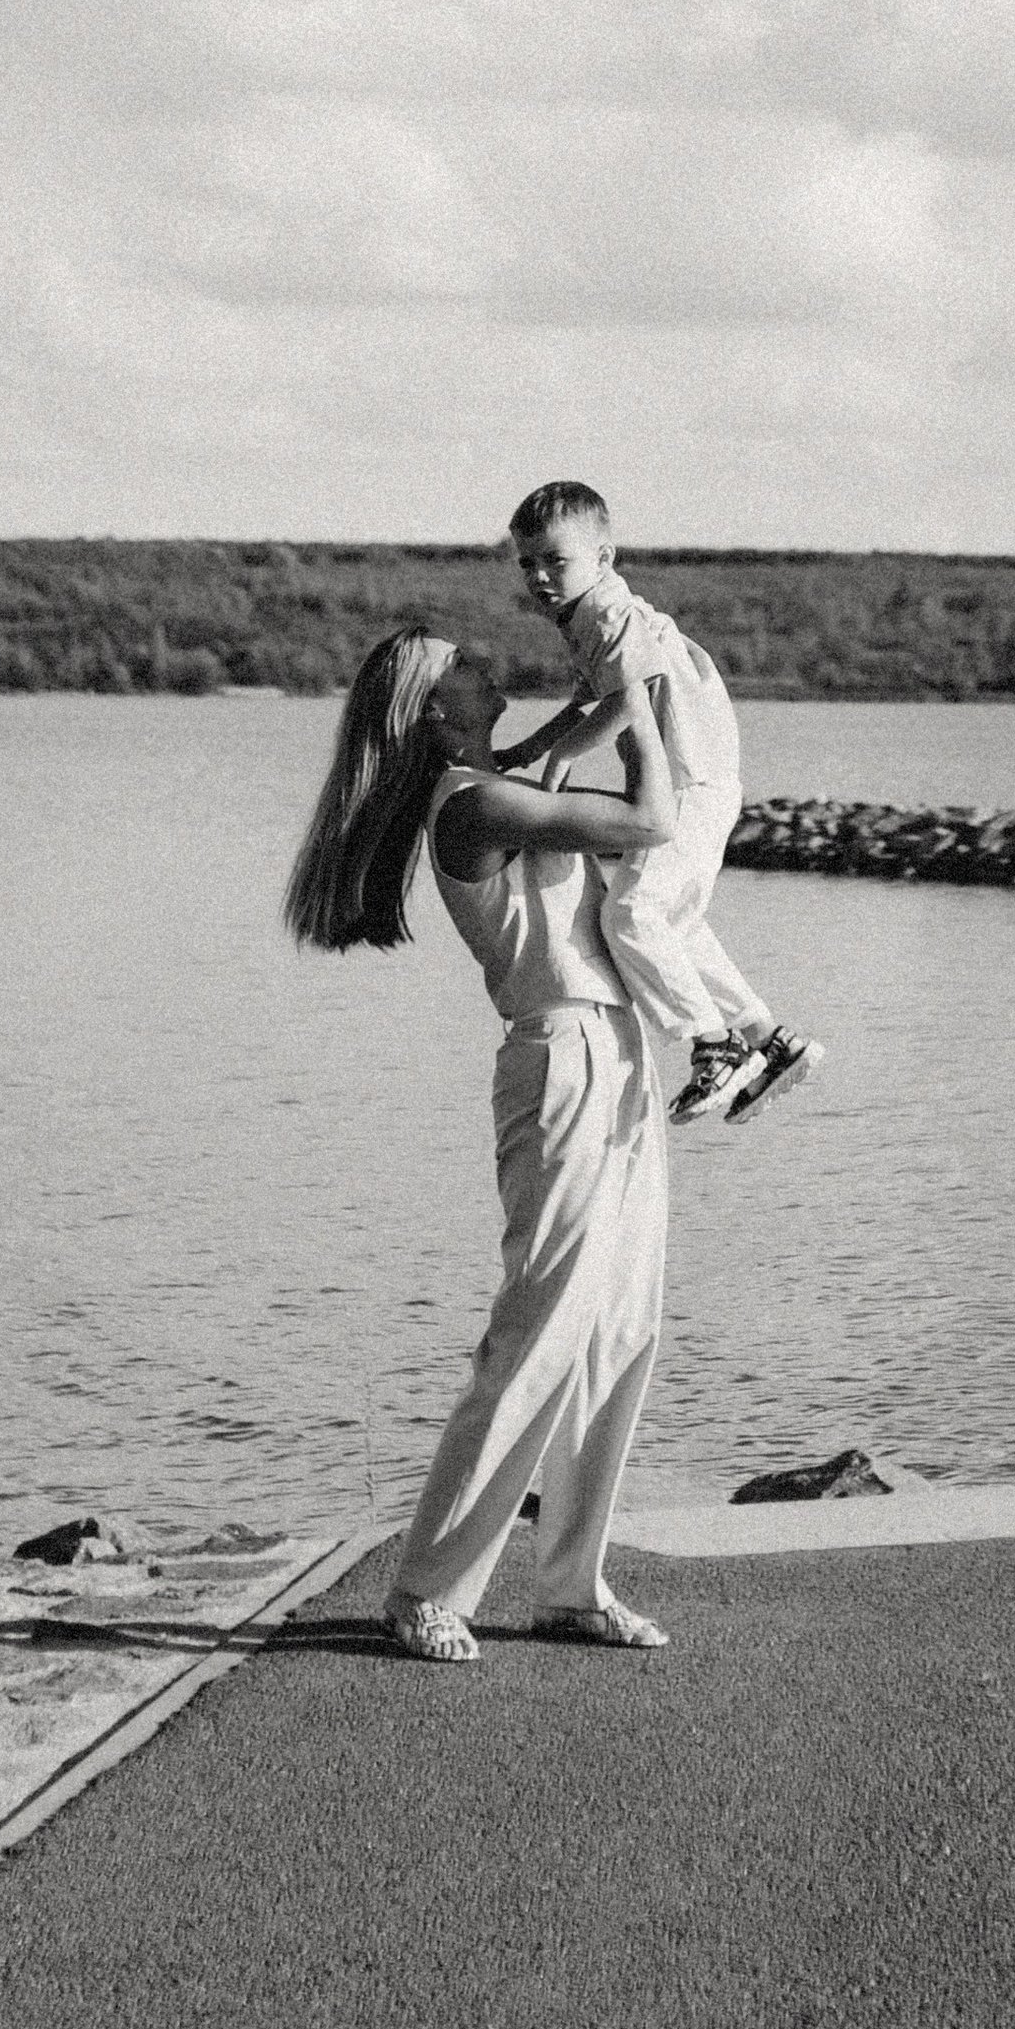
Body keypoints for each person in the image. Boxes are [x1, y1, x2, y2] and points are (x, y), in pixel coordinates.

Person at [283, 627, 678, 1665]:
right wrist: (643, 701)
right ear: (433, 707)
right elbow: (651, 820)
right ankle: (425, 1588)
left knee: (618, 1331)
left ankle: (568, 1585)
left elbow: (561, 739)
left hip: (618, 1049)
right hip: (561, 1059)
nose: (484, 662)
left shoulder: (488, 778)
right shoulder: (471, 803)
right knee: (538, 1329)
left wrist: (615, 674)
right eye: (461, 662)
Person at [503, 479, 825, 1127]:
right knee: (671, 923)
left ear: (604, 558)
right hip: (703, 782)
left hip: (688, 784)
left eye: (555, 561)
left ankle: (716, 1045)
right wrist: (528, 749)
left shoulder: (606, 614)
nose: (539, 576)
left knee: (631, 916)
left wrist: (561, 759)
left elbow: (631, 696)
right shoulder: (591, 615)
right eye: (527, 562)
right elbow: (588, 701)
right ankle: (771, 1040)